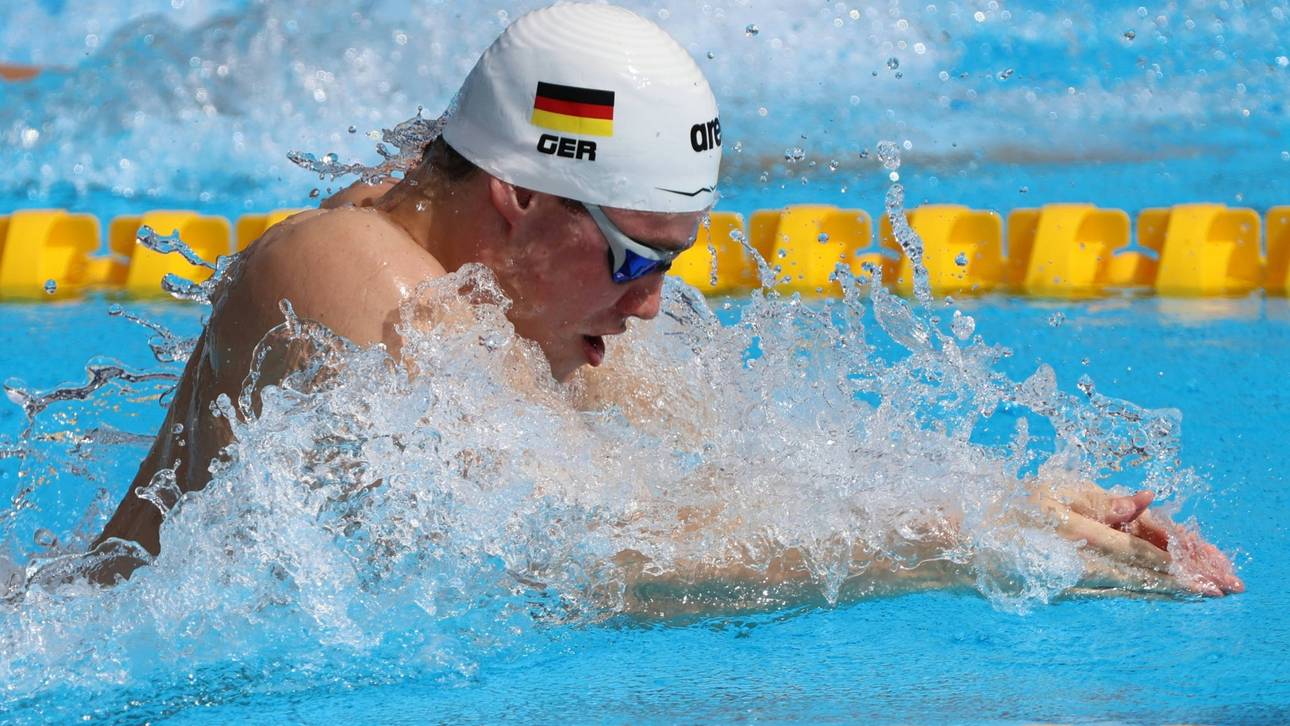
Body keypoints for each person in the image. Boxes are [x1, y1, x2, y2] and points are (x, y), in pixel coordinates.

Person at [92, 3, 1241, 599]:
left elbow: (757, 465)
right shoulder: (349, 275)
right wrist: (945, 546)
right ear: (513, 199)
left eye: (674, 265)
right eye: (637, 259)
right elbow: (574, 556)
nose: (651, 308)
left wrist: (1023, 508)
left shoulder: (534, 283)